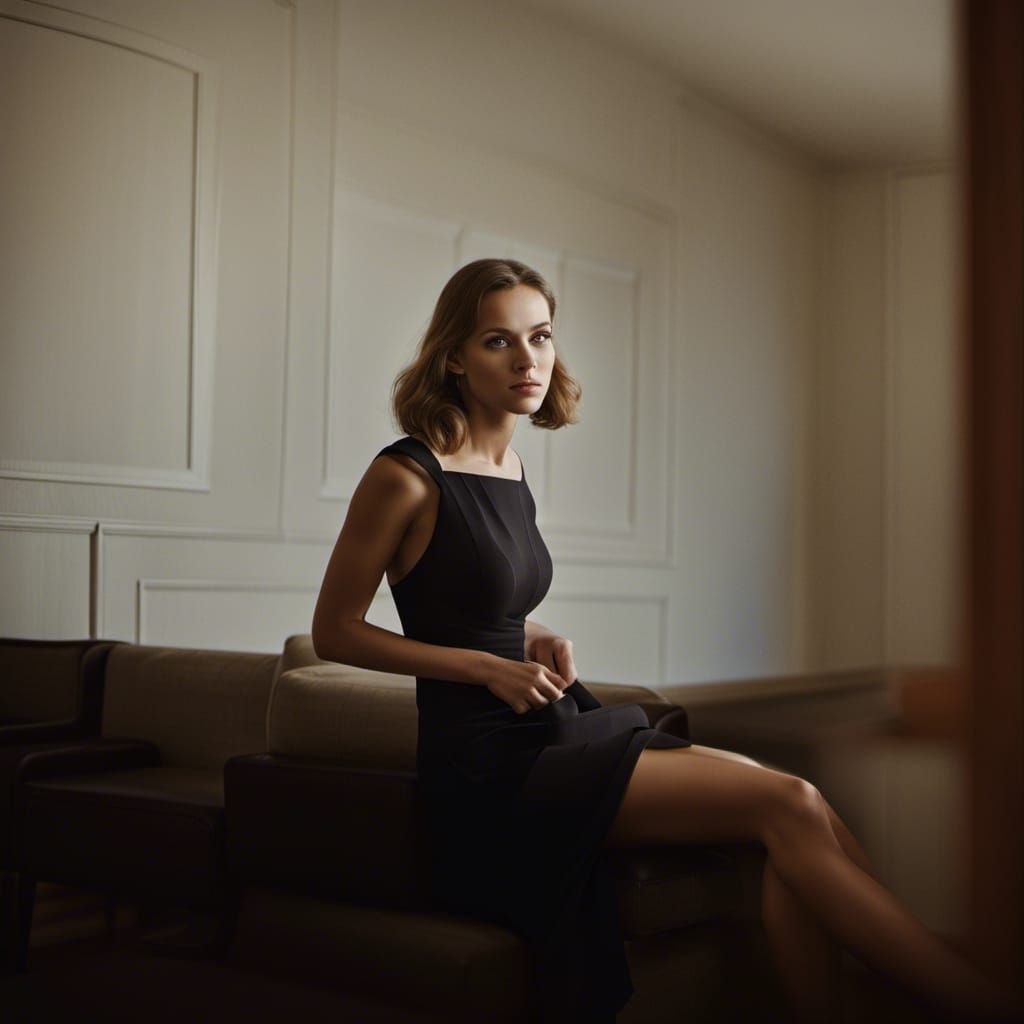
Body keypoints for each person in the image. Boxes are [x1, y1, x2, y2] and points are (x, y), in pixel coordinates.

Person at [311, 258, 1022, 1024]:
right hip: (488, 771)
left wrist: (532, 634)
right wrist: (485, 665)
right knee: (787, 802)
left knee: (803, 806)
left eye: (541, 336)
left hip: (551, 729)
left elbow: (462, 595)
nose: (528, 361)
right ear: (454, 356)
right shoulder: (405, 475)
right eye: (498, 341)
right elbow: (334, 632)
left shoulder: (511, 467)